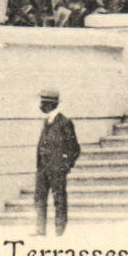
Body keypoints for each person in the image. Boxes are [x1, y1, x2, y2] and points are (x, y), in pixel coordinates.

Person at [33, 88, 80, 236]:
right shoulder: (46, 122)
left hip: (57, 169)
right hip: (43, 169)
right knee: (39, 198)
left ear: (50, 105)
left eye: (43, 103)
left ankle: (60, 231)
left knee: (59, 199)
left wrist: (65, 166)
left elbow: (75, 148)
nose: (41, 106)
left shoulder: (64, 123)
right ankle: (40, 230)